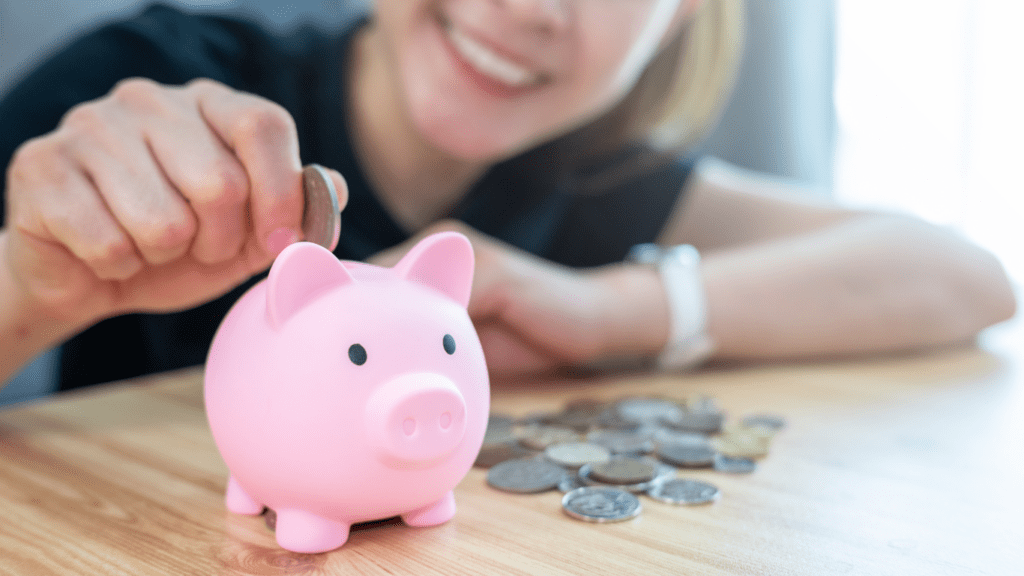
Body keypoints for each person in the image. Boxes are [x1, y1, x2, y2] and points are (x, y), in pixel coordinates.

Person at [0, 0, 1016, 391]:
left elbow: (964, 275)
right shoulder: (141, 89)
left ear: (676, 21)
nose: (528, 7)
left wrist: (610, 310)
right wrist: (35, 291)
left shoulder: (591, 182)